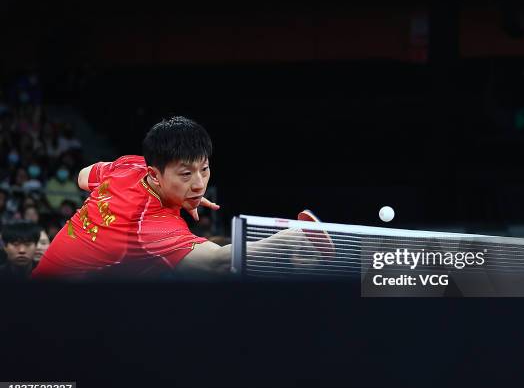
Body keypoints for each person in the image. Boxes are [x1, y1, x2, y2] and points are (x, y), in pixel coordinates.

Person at [33, 116, 318, 280]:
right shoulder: (149, 225)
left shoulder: (130, 165)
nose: (198, 184)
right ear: (155, 176)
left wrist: (180, 194)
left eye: (204, 170)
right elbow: (219, 261)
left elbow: (84, 176)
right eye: (185, 175)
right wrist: (293, 236)